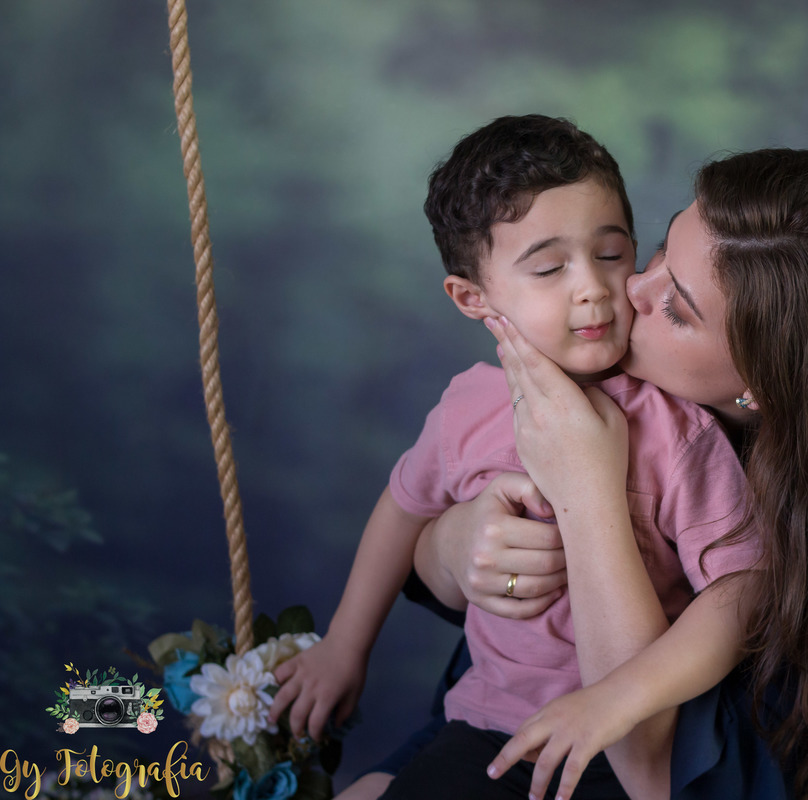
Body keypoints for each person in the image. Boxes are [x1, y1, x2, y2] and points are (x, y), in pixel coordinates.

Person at [395, 148, 808, 800]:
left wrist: (588, 493)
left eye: (677, 309)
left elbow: (640, 765)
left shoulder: (806, 603)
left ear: (764, 383)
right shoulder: (609, 386)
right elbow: (479, 607)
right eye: (662, 250)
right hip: (486, 736)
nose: (631, 290)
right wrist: (450, 544)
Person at [268, 115, 760, 800]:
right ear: (474, 298)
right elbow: (404, 506)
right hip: (489, 730)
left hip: (625, 745)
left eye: (613, 254)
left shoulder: (678, 428)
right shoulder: (469, 407)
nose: (591, 287)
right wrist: (347, 646)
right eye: (550, 268)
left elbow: (741, 592)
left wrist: (619, 698)